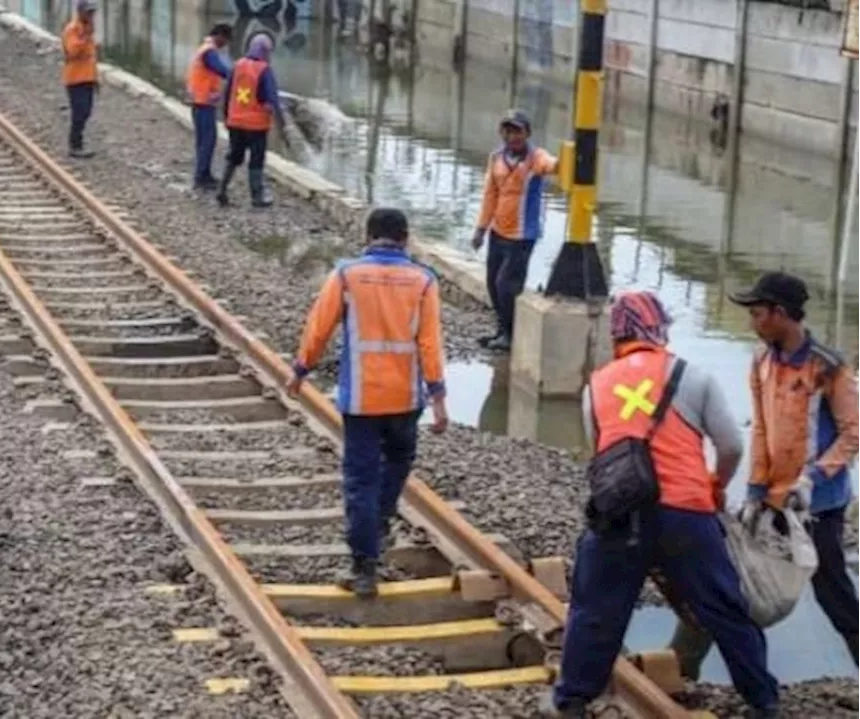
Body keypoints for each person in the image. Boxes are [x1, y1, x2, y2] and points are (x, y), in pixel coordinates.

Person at [551, 291, 779, 718]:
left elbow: (599, 451)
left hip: (620, 514)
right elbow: (731, 445)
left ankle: (573, 701)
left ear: (618, 332)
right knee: (725, 609)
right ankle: (763, 702)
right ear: (659, 328)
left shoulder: (596, 385)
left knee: (595, 609)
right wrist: (715, 485)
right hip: (686, 514)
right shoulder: (693, 377)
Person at [668, 272, 860, 676]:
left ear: (782, 314)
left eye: (758, 313)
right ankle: (680, 666)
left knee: (832, 591)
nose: (753, 322)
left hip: (816, 506)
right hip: (770, 496)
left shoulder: (828, 367)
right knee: (726, 576)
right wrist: (755, 488)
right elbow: (760, 427)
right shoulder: (760, 360)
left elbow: (853, 431)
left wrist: (814, 478)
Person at [286, 208, 449, 598]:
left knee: (360, 481)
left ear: (368, 235)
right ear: (405, 238)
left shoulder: (346, 275)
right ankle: (379, 522)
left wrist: (300, 369)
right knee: (397, 463)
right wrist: (438, 396)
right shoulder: (424, 281)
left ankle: (364, 567)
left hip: (361, 399)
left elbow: (319, 327)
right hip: (406, 399)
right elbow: (430, 343)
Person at [470, 109, 559, 352]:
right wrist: (480, 229)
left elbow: (551, 165)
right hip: (498, 231)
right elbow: (490, 194)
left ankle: (511, 335)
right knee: (492, 282)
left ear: (527, 133)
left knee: (506, 285)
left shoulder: (536, 157)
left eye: (517, 131)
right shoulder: (497, 158)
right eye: (507, 131)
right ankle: (503, 330)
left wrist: (565, 163)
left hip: (522, 235)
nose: (512, 136)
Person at [217, 32, 290, 209]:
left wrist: (226, 117)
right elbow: (273, 100)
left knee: (234, 157)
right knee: (256, 161)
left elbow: (227, 95)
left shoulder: (237, 66)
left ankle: (222, 190)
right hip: (256, 126)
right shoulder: (264, 70)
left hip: (235, 122)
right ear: (266, 51)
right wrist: (283, 127)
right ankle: (257, 197)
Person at [186, 24, 233, 190]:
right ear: (220, 35)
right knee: (208, 140)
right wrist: (239, 77)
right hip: (203, 102)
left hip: (200, 101)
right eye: (226, 40)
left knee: (203, 140)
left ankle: (203, 174)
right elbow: (221, 70)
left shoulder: (203, 48)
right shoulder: (209, 51)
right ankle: (201, 177)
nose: (225, 44)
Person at [61, 0, 98, 159]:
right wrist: (85, 36)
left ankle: (78, 143)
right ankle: (75, 146)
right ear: (80, 12)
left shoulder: (87, 30)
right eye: (88, 13)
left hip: (87, 78)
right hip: (75, 79)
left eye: (92, 13)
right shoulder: (73, 29)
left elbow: (91, 57)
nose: (91, 16)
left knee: (87, 111)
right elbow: (73, 51)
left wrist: (95, 79)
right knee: (79, 112)